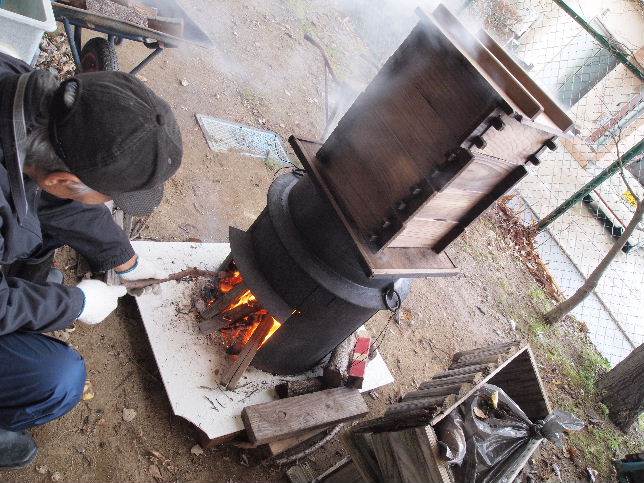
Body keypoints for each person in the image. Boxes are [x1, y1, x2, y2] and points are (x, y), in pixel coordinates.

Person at [0, 50, 182, 469]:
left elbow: (57, 198)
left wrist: (121, 255)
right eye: (110, 196)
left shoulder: (31, 99)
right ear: (64, 178)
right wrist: (76, 304)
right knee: (57, 379)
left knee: (39, 247)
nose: (108, 203)